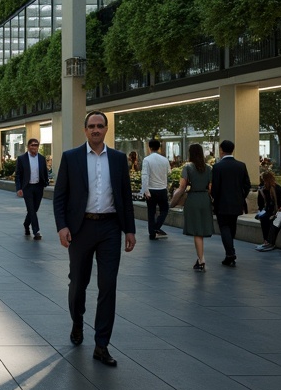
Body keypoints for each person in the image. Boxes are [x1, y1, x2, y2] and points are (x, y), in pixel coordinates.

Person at [53, 110, 136, 367]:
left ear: (107, 129)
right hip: (81, 228)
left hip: (110, 228)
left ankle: (102, 344)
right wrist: (62, 226)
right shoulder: (71, 158)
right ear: (85, 129)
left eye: (100, 125)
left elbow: (125, 197)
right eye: (92, 126)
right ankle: (78, 322)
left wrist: (130, 229)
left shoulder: (119, 159)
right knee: (78, 284)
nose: (96, 130)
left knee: (108, 286)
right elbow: (60, 196)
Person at [170, 143, 213, 270]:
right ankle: (200, 257)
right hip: (205, 199)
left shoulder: (187, 168)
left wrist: (173, 201)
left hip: (193, 199)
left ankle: (201, 259)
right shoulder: (209, 168)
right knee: (201, 230)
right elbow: (211, 188)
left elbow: (182, 187)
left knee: (197, 232)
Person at [210, 139, 251, 267]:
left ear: (221, 150)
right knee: (232, 225)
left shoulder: (217, 167)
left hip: (222, 203)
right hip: (237, 202)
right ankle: (230, 250)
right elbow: (247, 185)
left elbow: (215, 187)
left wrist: (214, 198)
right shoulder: (241, 165)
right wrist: (241, 196)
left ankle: (230, 253)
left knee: (224, 227)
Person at [15, 137, 49, 239]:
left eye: (36, 145)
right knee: (31, 209)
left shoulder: (42, 158)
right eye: (32, 145)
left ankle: (26, 224)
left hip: (39, 187)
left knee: (35, 208)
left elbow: (44, 172)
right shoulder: (22, 159)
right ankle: (36, 231)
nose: (34, 147)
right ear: (28, 146)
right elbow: (18, 175)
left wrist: (46, 182)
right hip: (27, 187)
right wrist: (19, 188)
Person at [141, 138, 171, 241]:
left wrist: (145, 191)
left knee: (151, 212)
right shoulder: (165, 160)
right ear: (159, 147)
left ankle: (152, 232)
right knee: (165, 209)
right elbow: (168, 172)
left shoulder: (147, 160)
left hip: (151, 189)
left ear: (149, 147)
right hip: (162, 189)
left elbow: (145, 176)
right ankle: (156, 227)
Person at [254, 171, 281, 242]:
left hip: (277, 211)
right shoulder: (263, 189)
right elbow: (261, 203)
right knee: (262, 217)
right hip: (268, 210)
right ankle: (266, 240)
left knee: (265, 218)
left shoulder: (276, 188)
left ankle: (267, 241)